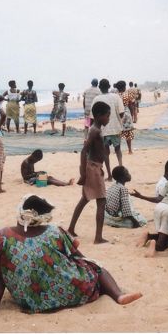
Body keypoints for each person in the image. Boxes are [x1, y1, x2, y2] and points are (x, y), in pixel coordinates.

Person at [0, 194, 142, 318]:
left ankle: (114, 293)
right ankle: (118, 295)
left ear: (20, 212)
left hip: (30, 301)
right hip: (69, 293)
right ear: (44, 217)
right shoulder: (54, 231)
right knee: (96, 267)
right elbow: (82, 259)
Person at [67, 101, 111, 244]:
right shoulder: (94, 130)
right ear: (99, 115)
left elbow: (98, 150)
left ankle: (71, 228)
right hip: (92, 168)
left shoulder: (96, 129)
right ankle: (98, 237)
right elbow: (84, 150)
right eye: (107, 116)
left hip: (95, 167)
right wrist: (83, 172)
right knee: (102, 201)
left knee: (85, 199)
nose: (108, 119)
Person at [91, 79, 125, 180]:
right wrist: (117, 120)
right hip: (115, 128)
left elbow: (93, 117)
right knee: (118, 149)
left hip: (103, 130)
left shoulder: (96, 99)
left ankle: (110, 175)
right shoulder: (116, 97)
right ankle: (121, 171)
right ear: (109, 86)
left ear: (100, 88)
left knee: (106, 153)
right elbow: (122, 112)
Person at [117, 80, 136, 154]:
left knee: (118, 133)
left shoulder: (116, 96)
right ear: (124, 87)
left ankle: (118, 150)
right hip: (126, 113)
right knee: (128, 132)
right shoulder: (127, 94)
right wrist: (132, 115)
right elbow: (131, 105)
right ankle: (130, 150)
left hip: (118, 114)